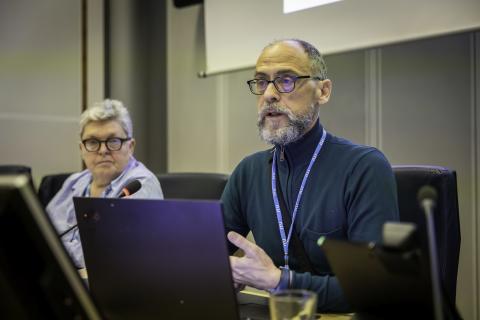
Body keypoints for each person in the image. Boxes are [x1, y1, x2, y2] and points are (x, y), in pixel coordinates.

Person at [221, 39, 399, 312]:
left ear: (323, 91)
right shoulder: (249, 172)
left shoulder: (363, 167)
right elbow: (204, 256)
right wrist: (219, 272)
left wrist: (280, 281)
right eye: (261, 82)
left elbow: (373, 288)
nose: (269, 94)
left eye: (286, 80)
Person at [47, 99, 163, 268]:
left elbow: (108, 256)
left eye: (113, 141)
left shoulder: (140, 185)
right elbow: (40, 236)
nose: (103, 151)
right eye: (93, 142)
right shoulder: (74, 182)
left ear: (130, 146)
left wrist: (56, 251)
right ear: (81, 149)